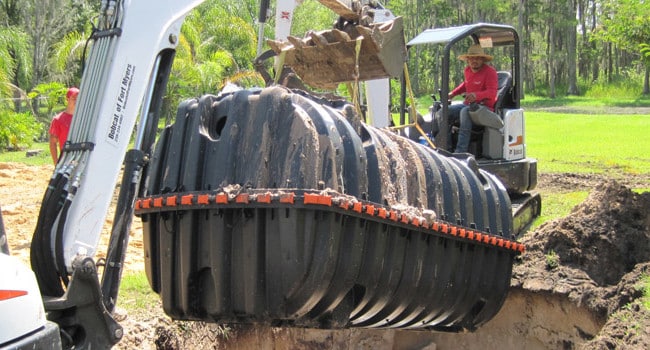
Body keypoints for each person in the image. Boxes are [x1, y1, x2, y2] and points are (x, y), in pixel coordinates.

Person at [431, 44, 498, 153]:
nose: (474, 60)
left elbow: (492, 92)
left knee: (464, 112)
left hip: (484, 108)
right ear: (467, 60)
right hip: (468, 105)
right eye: (471, 58)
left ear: (482, 59)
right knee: (442, 112)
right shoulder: (467, 70)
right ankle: (445, 148)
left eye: (477, 58)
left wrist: (476, 95)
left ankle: (460, 152)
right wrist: (452, 93)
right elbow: (465, 85)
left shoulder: (490, 72)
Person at [49, 87, 79, 164]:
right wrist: (56, 163)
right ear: (67, 99)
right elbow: (53, 143)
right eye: (73, 98)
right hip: (66, 160)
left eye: (78, 98)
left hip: (81, 159)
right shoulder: (58, 119)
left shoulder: (82, 119)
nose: (76, 101)